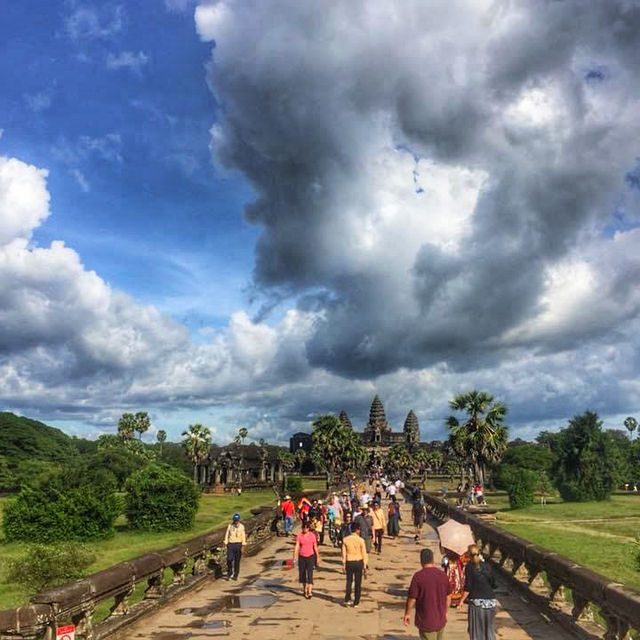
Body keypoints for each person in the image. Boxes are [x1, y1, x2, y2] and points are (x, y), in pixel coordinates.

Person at [404, 548, 452, 640]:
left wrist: (407, 613)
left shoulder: (418, 577)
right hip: (440, 620)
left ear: (421, 561)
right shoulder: (442, 575)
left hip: (426, 620)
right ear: (433, 560)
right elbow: (449, 596)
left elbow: (412, 598)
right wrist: (445, 612)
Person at [460, 544, 497, 640]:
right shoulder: (488, 566)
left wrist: (461, 601)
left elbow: (468, 587)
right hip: (490, 602)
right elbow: (493, 583)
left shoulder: (469, 567)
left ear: (469, 555)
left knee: (476, 632)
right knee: (489, 631)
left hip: (477, 603)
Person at [342, 520, 368, 607]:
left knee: (349, 581)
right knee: (358, 583)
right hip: (358, 562)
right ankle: (356, 601)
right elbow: (364, 553)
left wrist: (343, 564)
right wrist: (365, 566)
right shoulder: (361, 540)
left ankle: (347, 599)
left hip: (349, 562)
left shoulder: (345, 540)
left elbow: (343, 554)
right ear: (357, 530)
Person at [293, 520, 320, 599]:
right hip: (302, 556)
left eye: (306, 528)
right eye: (303, 528)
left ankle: (310, 590)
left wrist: (317, 557)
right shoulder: (299, 536)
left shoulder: (312, 535)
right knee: (302, 573)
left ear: (308, 528)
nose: (304, 530)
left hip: (310, 556)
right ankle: (305, 589)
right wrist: (294, 556)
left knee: (310, 573)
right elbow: (297, 546)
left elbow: (315, 547)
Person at [223, 513, 246, 580]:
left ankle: (236, 574)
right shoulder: (230, 526)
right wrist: (225, 543)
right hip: (231, 544)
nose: (236, 522)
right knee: (229, 559)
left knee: (237, 561)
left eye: (237, 520)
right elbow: (227, 535)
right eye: (235, 520)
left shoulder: (241, 527)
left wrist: (243, 545)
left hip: (238, 544)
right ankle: (230, 572)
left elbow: (243, 536)